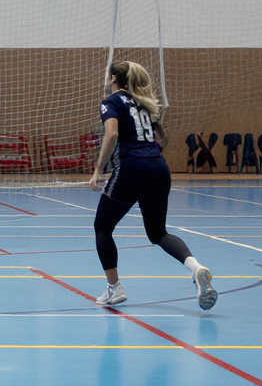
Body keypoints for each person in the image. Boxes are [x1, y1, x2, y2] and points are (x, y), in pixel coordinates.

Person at [89, 61, 217, 310]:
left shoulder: (111, 101)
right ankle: (195, 267)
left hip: (133, 168)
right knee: (158, 233)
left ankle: (114, 288)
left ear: (114, 78)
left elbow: (112, 134)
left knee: (102, 227)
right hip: (159, 167)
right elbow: (163, 137)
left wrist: (98, 169)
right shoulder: (144, 103)